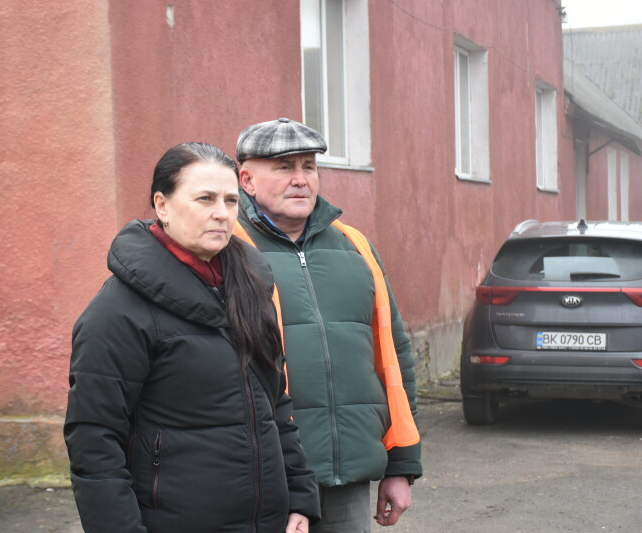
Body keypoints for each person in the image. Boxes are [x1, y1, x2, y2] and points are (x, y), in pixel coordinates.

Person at [64, 142, 320, 533]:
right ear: (162, 205)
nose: (222, 213)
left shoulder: (251, 287)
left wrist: (299, 495)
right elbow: (94, 440)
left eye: (231, 201)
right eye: (205, 199)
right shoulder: (119, 310)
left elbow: (275, 405)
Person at [234, 118, 422, 531]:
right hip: (264, 478)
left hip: (346, 480)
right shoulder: (227, 249)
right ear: (246, 179)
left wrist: (401, 465)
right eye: (284, 167)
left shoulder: (355, 246)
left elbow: (394, 358)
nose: (300, 179)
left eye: (309, 166)